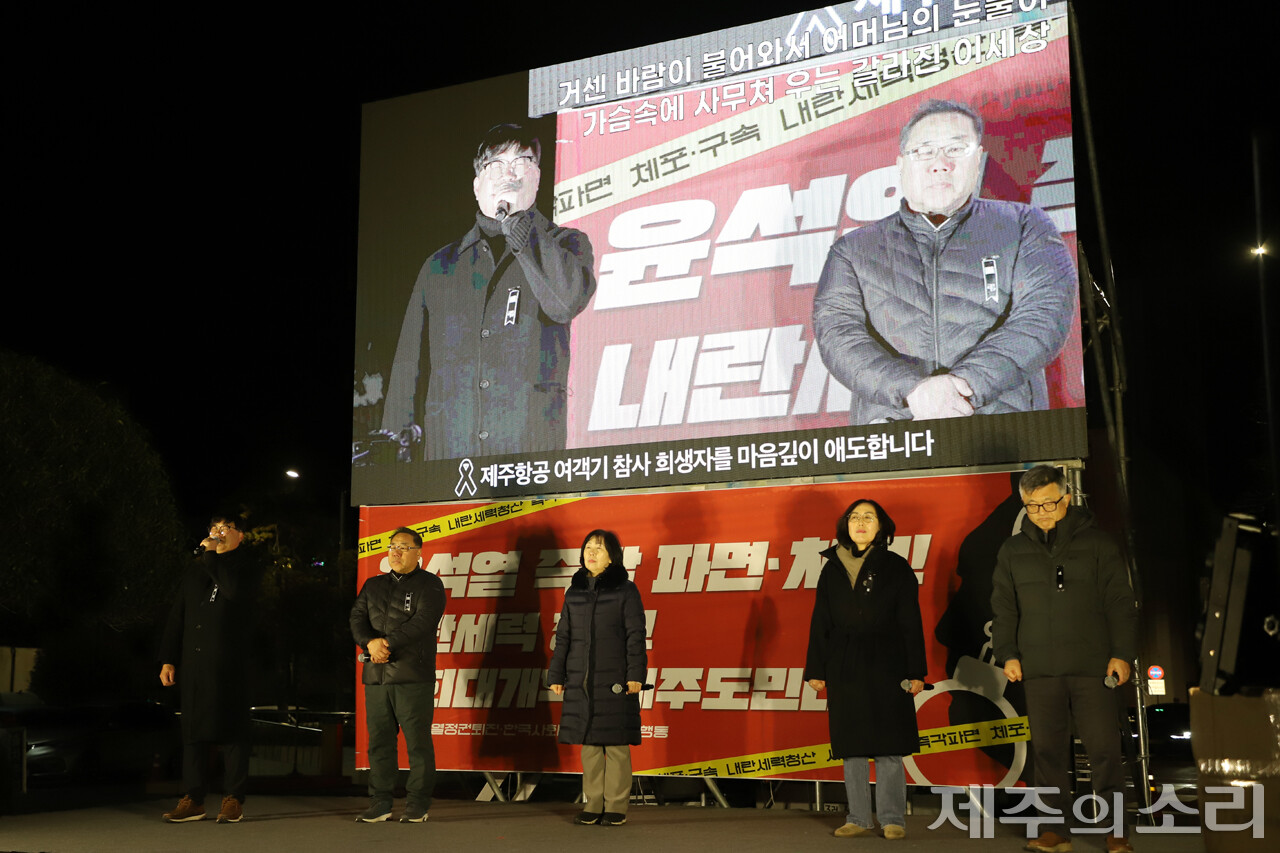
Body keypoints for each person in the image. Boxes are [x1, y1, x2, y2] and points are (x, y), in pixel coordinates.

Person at [812, 98, 1077, 424]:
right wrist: (913, 392)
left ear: (978, 160)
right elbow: (838, 336)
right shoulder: (852, 250)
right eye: (923, 151)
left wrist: (965, 387)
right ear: (901, 164)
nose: (940, 164)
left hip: (1003, 428)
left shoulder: (1024, 226)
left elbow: (1043, 317)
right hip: (894, 435)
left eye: (955, 149)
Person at [381, 122, 597, 460]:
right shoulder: (439, 266)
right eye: (495, 164)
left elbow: (565, 301)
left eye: (521, 162)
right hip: (449, 465)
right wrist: (394, 450)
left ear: (537, 177)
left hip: (530, 459)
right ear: (477, 184)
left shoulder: (567, 244)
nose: (508, 173)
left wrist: (516, 223)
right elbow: (410, 363)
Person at [991, 465, 1138, 853]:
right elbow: (1003, 608)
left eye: (1049, 503)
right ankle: (1053, 829)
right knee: (1047, 752)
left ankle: (1116, 830)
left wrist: (1122, 654)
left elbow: (1121, 603)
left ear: (1066, 498)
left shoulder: (1099, 544)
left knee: (1104, 748)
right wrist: (1008, 653)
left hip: (1094, 666)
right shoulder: (1012, 550)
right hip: (1038, 669)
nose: (1042, 511)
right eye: (1033, 505)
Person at [805, 499, 926, 840]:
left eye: (868, 517)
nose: (860, 522)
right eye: (854, 517)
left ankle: (892, 819)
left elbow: (910, 622)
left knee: (889, 744)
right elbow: (821, 622)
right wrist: (817, 668)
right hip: (844, 661)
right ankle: (857, 816)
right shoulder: (831, 568)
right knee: (852, 745)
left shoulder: (896, 567)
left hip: (889, 660)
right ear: (846, 526)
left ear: (882, 526)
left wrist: (916, 670)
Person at [158, 514, 257, 824]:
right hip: (195, 663)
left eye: (225, 528)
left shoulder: (245, 566)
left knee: (232, 732)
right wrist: (168, 658)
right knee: (193, 733)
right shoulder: (197, 569)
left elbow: (232, 592)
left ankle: (233, 799)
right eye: (214, 528)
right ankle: (193, 798)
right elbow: (178, 615)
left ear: (241, 535)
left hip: (231, 664)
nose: (218, 533)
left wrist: (212, 557)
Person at [548, 529, 646, 826]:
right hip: (580, 679)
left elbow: (635, 636)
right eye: (588, 547)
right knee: (589, 744)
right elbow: (563, 636)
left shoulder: (626, 590)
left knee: (615, 744)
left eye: (599, 549)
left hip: (615, 679)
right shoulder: (574, 591)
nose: (591, 553)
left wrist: (636, 675)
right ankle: (593, 804)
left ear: (613, 556)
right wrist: (557, 674)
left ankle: (616, 805)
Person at [349, 526, 447, 823]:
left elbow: (423, 622)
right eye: (392, 546)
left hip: (412, 674)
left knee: (417, 742)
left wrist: (387, 643)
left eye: (403, 547)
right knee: (379, 741)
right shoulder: (373, 584)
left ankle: (418, 803)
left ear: (419, 553)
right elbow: (356, 618)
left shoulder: (430, 584)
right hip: (376, 675)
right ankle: (380, 802)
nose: (395, 552)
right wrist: (370, 643)